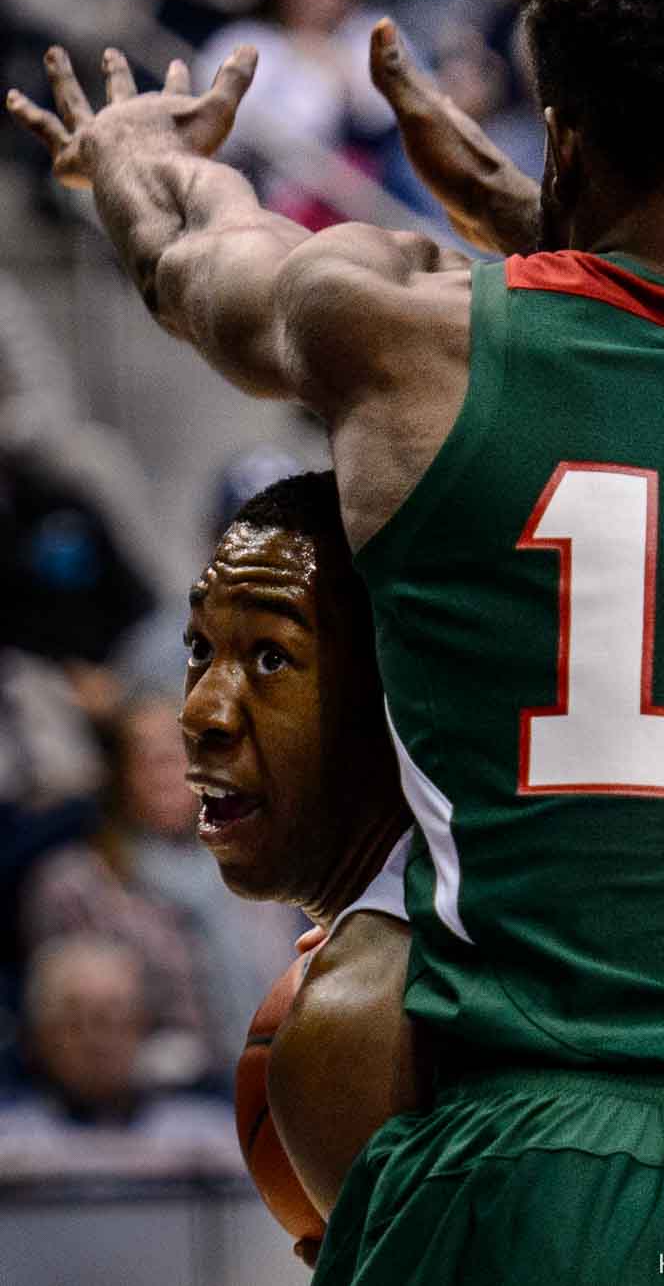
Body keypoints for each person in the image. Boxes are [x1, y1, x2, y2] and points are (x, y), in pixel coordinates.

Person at [9, 0, 664, 1280]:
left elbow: (193, 260)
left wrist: (136, 153)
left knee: (355, 991)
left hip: (541, 1159)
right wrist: (539, 219)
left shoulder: (406, 341)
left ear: (563, 141)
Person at [178, 471, 423, 1263]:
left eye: (271, 658)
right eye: (199, 648)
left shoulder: (361, 1017)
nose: (199, 712)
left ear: (390, 690)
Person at [0, 932, 242, 1177]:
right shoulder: (10, 1143)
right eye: (75, 1023)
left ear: (143, 1025)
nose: (95, 1040)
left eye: (112, 1018)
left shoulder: (212, 1141)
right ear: (41, 1035)